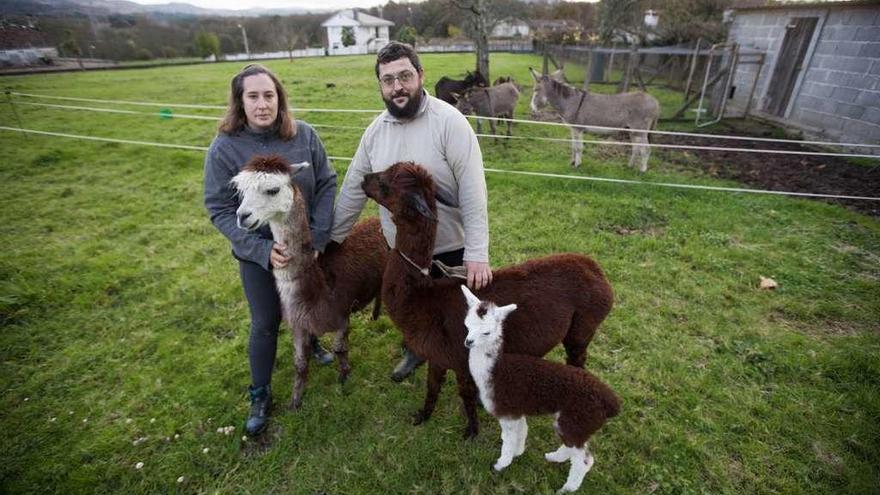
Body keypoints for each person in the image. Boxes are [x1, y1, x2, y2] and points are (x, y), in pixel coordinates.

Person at [331, 42, 493, 382]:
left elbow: (473, 193)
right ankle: (416, 349)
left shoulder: (451, 123)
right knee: (412, 309)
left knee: (459, 317)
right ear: (380, 85)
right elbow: (352, 192)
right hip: (401, 251)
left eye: (405, 76)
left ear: (420, 76)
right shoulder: (374, 134)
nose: (397, 87)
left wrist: (477, 253)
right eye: (388, 80)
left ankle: (475, 370)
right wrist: (329, 240)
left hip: (451, 249)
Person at [203, 64, 337, 436]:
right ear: (240, 101)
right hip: (259, 255)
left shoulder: (303, 136)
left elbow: (326, 182)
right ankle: (260, 392)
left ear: (279, 98)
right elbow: (218, 207)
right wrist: (260, 251)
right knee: (265, 322)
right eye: (253, 96)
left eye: (269, 95)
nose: (263, 104)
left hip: (306, 247)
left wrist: (319, 237)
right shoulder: (225, 148)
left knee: (308, 302)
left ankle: (310, 343)